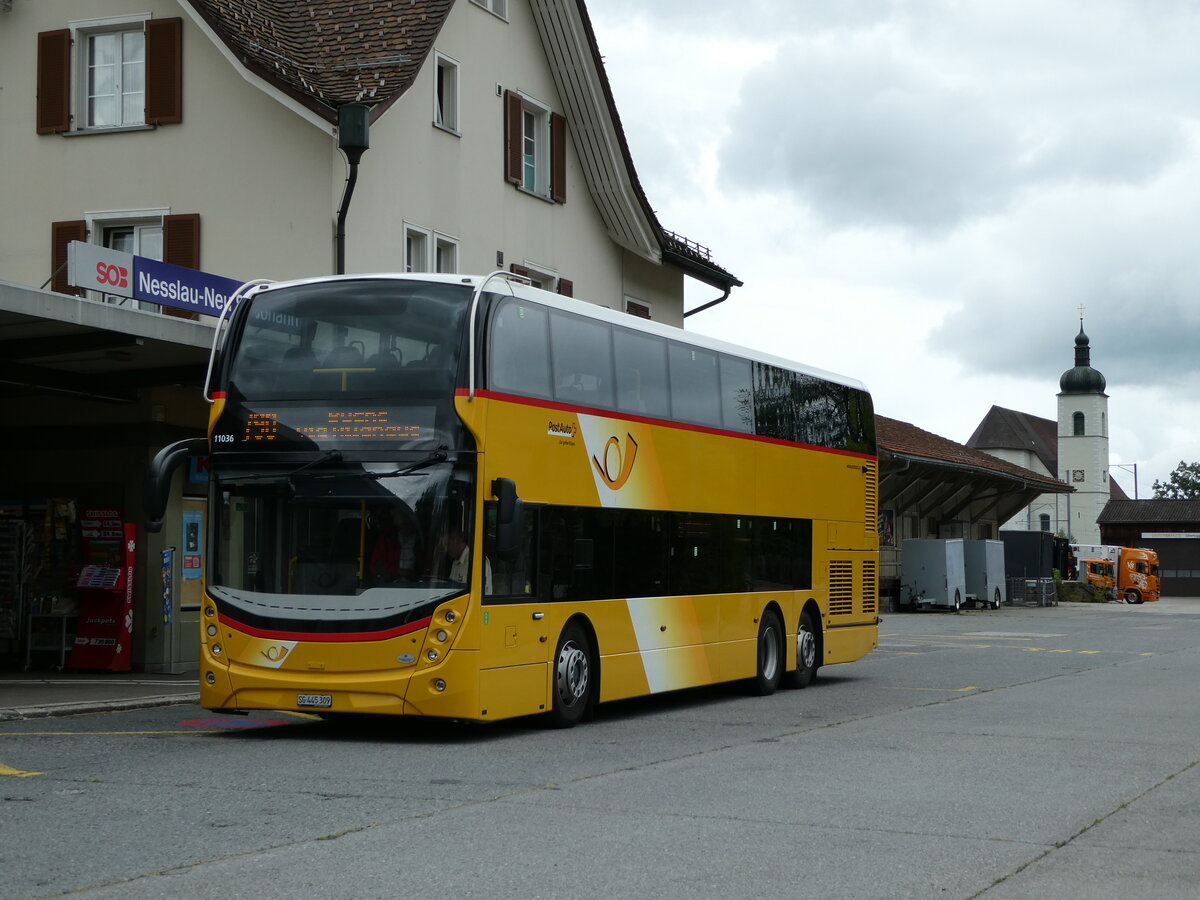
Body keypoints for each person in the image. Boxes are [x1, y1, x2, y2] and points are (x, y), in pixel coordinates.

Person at [369, 507, 416, 583]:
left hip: (421, 587)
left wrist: (415, 574)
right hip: (390, 585)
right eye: (396, 518)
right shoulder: (386, 538)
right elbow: (376, 567)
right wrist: (398, 572)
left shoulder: (422, 539)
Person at [444, 526, 492, 594]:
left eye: (447, 544)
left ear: (457, 541)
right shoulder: (455, 562)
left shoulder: (477, 560)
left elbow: (481, 593)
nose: (446, 550)